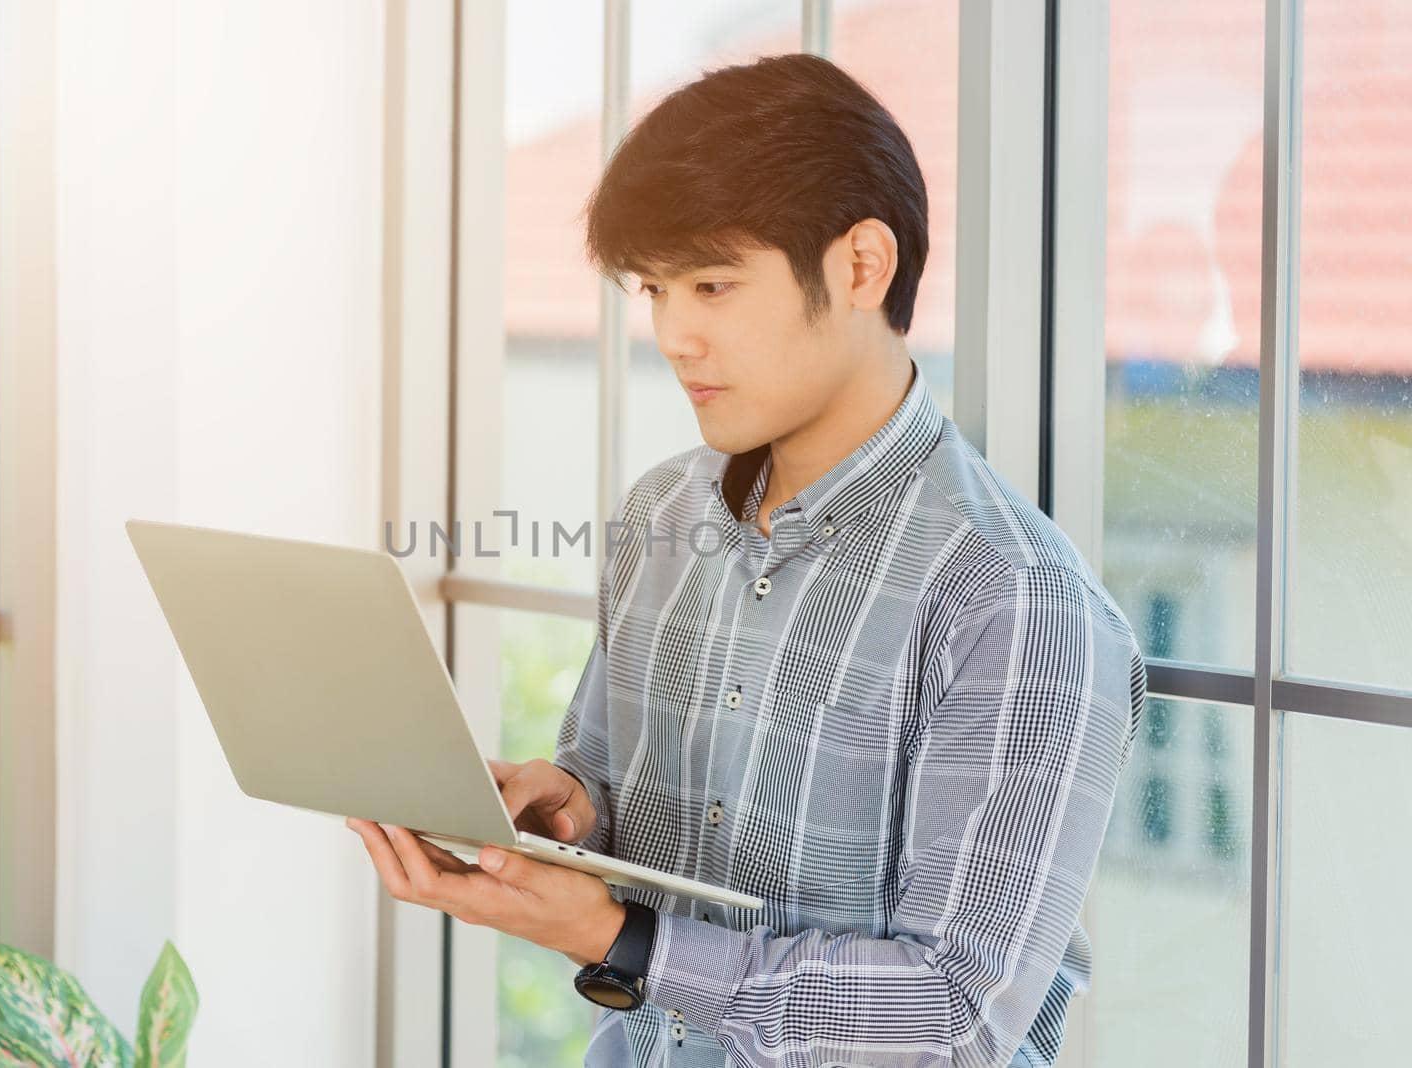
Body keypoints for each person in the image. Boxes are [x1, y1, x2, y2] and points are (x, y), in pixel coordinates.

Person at [349, 51, 1146, 1068]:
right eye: (654, 290)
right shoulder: (663, 512)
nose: (675, 334)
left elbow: (956, 1020)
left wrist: (615, 939)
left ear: (863, 265)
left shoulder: (1012, 599)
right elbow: (612, 779)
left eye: (713, 285)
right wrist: (571, 805)